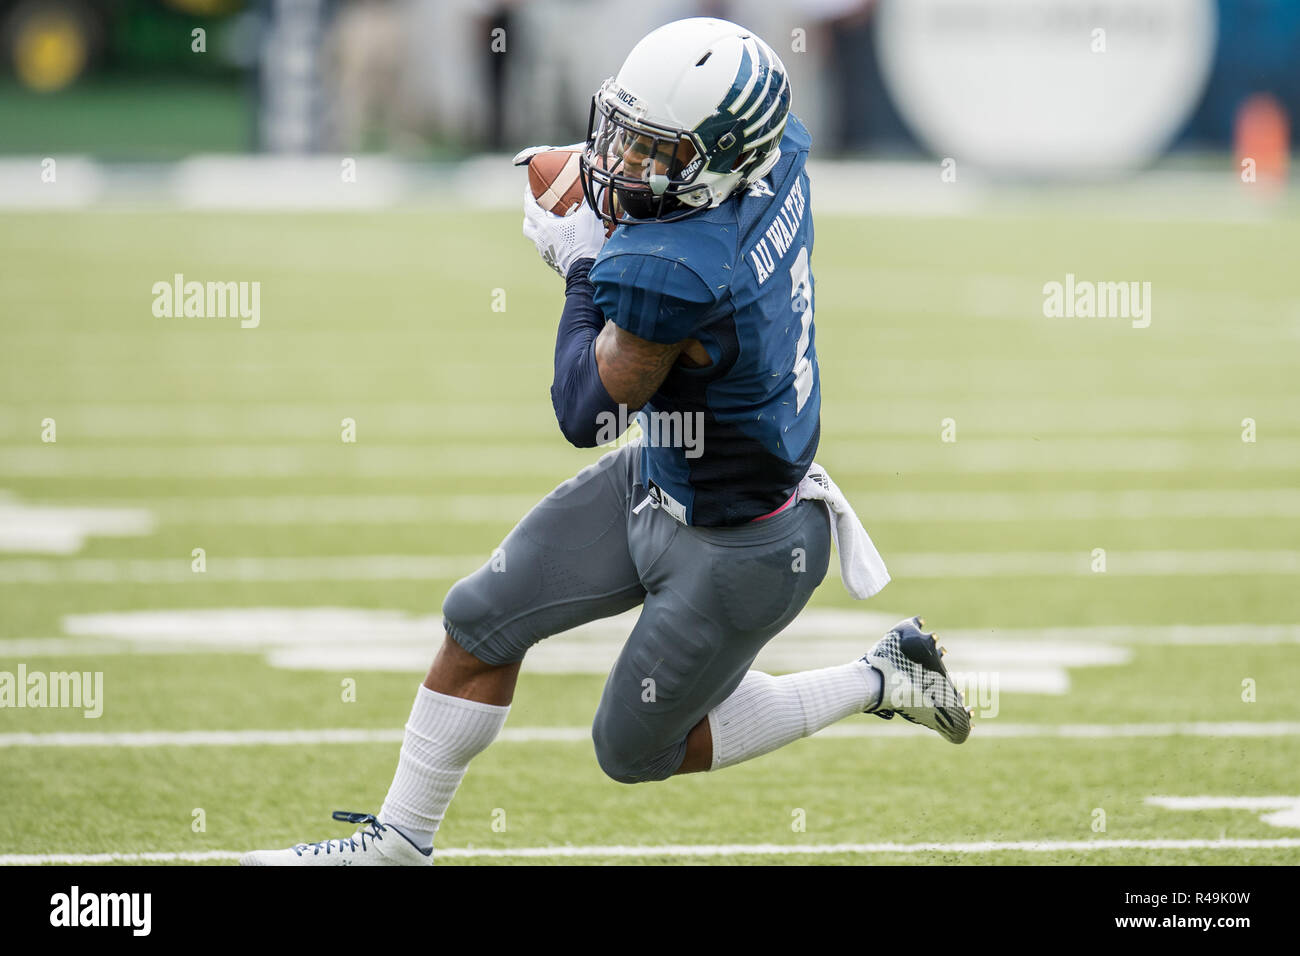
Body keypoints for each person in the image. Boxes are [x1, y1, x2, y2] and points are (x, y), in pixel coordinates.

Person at [240, 16, 969, 867]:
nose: (617, 162)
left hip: (743, 541)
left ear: (720, 161)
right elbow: (675, 187)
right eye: (624, 134)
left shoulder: (683, 271)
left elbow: (584, 409)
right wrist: (632, 193)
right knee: (479, 620)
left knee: (633, 750)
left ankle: (883, 676)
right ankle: (398, 843)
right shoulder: (773, 147)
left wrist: (583, 260)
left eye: (654, 153)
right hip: (666, 468)